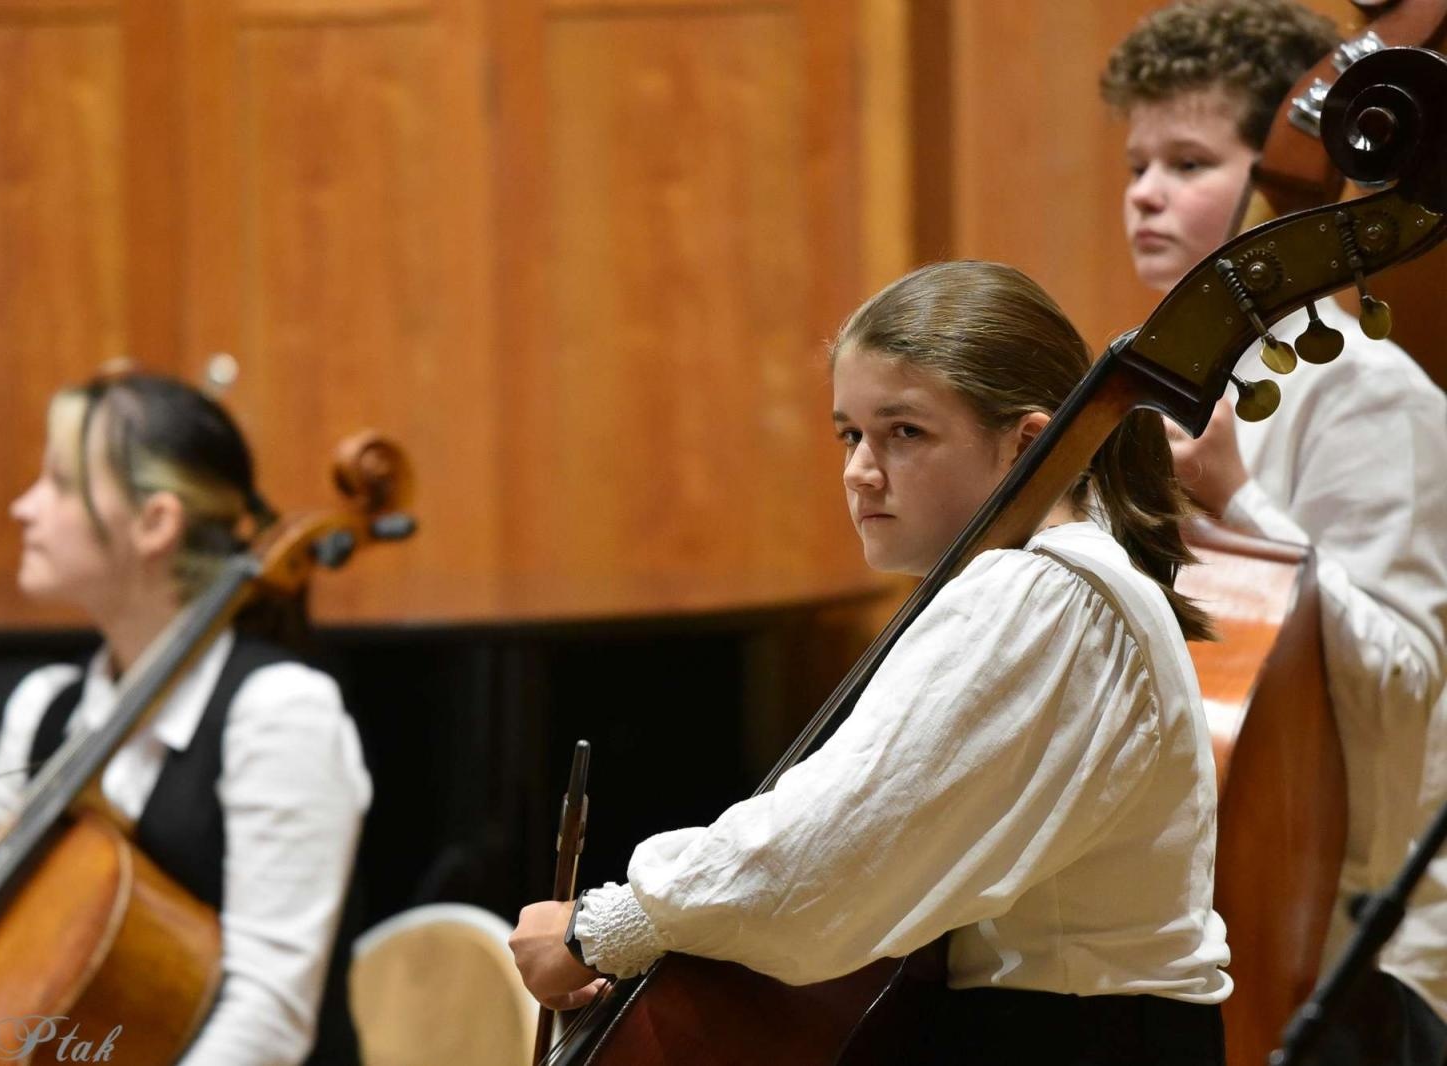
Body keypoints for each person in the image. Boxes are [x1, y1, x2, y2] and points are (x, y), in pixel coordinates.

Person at [510, 260, 1231, 1064]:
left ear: (1028, 445)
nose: (860, 469)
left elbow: (841, 838)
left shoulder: (1044, 591)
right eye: (850, 433)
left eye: (904, 433)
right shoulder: (1071, 581)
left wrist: (611, 923)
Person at [1102, 3, 1447, 1062]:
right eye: (1136, 163)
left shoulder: (1366, 392)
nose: (1145, 193)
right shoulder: (1164, 385)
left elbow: (1404, 674)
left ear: (1272, 179)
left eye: (1188, 161)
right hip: (1219, 913)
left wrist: (1240, 508)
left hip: (1352, 937)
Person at [0, 371, 372, 1066]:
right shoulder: (41, 708)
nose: (22, 506)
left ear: (156, 522)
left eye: (61, 484)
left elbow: (266, 1019)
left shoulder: (279, 715)